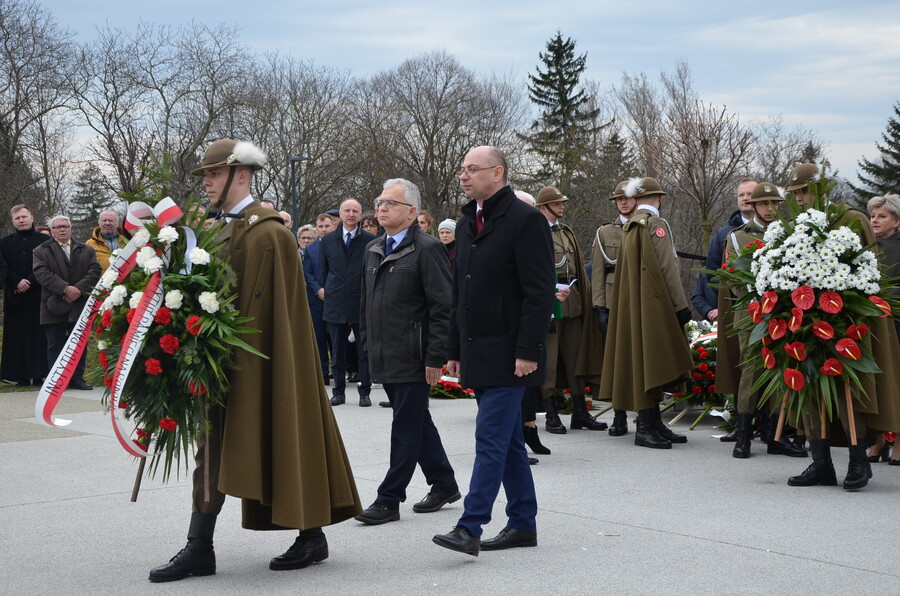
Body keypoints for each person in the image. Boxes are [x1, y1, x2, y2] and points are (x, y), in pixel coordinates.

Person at [148, 138, 361, 583]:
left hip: (258, 363)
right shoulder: (214, 229)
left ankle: (311, 534)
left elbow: (272, 315)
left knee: (281, 436)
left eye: (212, 174)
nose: (205, 182)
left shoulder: (269, 233)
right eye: (204, 176)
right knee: (211, 451)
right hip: (216, 361)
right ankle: (199, 547)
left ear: (240, 174)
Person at [432, 145, 554, 556]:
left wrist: (529, 350)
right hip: (477, 350)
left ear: (497, 172)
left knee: (489, 439)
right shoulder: (468, 224)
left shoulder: (526, 220)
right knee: (505, 444)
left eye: (472, 169)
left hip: (512, 354)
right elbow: (460, 292)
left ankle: (471, 526)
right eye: (462, 170)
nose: (464, 176)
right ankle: (522, 523)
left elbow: (538, 292)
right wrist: (453, 346)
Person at [784, 164, 900, 490]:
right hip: (807, 321)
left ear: (822, 190)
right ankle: (820, 463)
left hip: (848, 320)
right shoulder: (796, 226)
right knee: (810, 390)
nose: (802, 199)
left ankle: (858, 462)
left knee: (853, 391)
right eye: (796, 194)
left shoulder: (850, 219)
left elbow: (868, 271)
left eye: (806, 192)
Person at [355, 178, 460, 525]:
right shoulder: (373, 248)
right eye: (379, 201)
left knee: (405, 425)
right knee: (416, 421)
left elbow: (442, 307)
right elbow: (367, 304)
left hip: (415, 355)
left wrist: (435, 358)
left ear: (412, 212)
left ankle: (389, 498)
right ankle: (444, 483)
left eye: (390, 203)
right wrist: (368, 345)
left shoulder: (428, 249)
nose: (381, 208)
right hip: (385, 351)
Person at [599, 177, 693, 449]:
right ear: (660, 198)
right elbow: (668, 269)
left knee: (644, 362)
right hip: (657, 306)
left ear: (637, 199)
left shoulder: (629, 226)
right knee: (654, 361)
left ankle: (652, 423)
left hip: (636, 305)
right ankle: (646, 429)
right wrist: (681, 306)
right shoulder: (655, 225)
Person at [717, 182, 806, 459]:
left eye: (775, 204)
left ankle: (774, 435)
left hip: (784, 311)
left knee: (781, 368)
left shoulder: (788, 234)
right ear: (753, 206)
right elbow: (733, 280)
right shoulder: (736, 237)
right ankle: (743, 435)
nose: (770, 209)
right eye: (765, 204)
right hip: (752, 311)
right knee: (752, 368)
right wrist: (760, 299)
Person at [535, 186, 606, 434]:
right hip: (550, 305)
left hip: (573, 303)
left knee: (576, 360)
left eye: (562, 202)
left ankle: (580, 413)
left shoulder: (566, 232)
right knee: (551, 363)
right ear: (543, 207)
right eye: (557, 203)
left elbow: (576, 268)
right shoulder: (534, 232)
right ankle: (551, 414)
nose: (562, 206)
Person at [32, 215, 101, 391]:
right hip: (54, 304)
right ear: (52, 230)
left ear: (71, 228)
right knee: (54, 344)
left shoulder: (85, 249)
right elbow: (41, 273)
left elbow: (95, 270)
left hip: (79, 303)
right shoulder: (41, 250)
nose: (62, 229)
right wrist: (64, 289)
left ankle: (77, 378)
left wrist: (77, 289)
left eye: (65, 226)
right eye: (57, 227)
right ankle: (56, 380)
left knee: (78, 343)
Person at [320, 198, 375, 406]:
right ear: (340, 214)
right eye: (347, 210)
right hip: (335, 302)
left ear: (360, 215)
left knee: (363, 351)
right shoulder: (328, 240)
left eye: (355, 211)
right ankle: (339, 392)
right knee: (338, 351)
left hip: (360, 301)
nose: (351, 214)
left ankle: (365, 392)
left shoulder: (369, 240)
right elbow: (325, 270)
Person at [591, 180, 636, 436]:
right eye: (619, 199)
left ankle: (647, 414)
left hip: (639, 301)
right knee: (617, 362)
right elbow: (598, 272)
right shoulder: (605, 232)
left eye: (627, 198)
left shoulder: (644, 226)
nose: (623, 202)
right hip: (613, 299)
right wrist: (600, 307)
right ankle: (619, 415)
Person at [691, 177, 756, 323]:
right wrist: (729, 300)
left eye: (750, 194)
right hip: (735, 308)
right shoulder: (723, 234)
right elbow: (713, 271)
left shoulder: (774, 229)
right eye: (741, 195)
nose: (745, 198)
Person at [866, 193, 900, 463]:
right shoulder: (866, 247)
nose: (875, 220)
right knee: (874, 382)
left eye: (882, 216)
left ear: (897, 221)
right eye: (873, 215)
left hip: (897, 322)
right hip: (871, 323)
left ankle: (899, 445)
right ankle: (877, 443)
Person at [0, 205, 50, 386]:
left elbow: (48, 265)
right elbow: (2, 266)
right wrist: (16, 282)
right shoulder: (4, 242)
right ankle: (19, 376)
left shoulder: (46, 240)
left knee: (38, 338)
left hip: (39, 296)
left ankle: (38, 375)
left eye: (24, 217)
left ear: (31, 217)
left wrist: (29, 281)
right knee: (16, 339)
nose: (21, 220)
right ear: (13, 222)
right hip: (14, 298)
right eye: (17, 218)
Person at [303, 213, 335, 386]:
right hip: (316, 299)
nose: (324, 229)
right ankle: (323, 372)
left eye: (327, 226)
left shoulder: (339, 246)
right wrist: (318, 290)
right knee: (319, 337)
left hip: (335, 298)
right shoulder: (311, 249)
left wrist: (330, 290)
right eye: (320, 226)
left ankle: (338, 372)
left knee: (336, 339)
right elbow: (307, 272)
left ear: (333, 226)